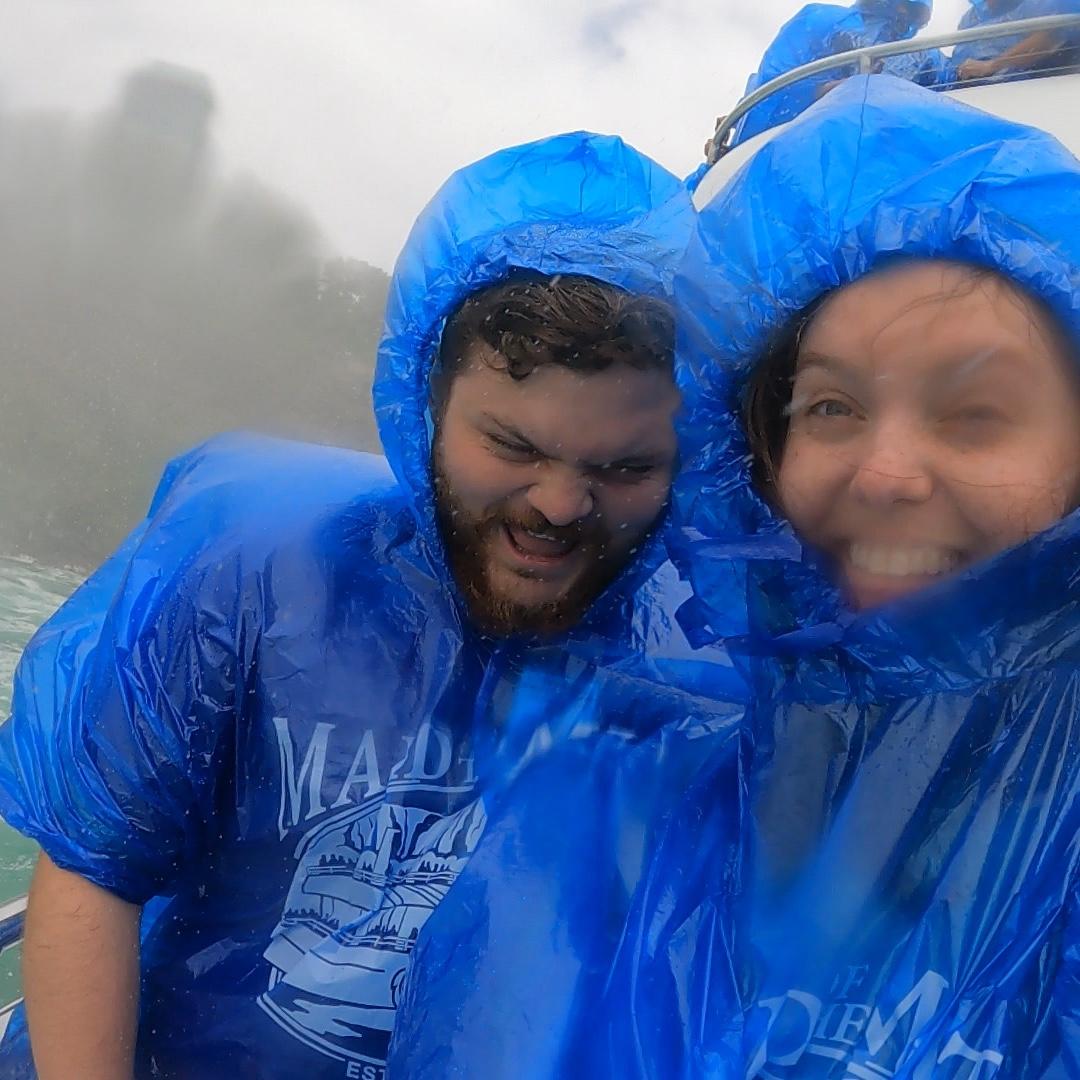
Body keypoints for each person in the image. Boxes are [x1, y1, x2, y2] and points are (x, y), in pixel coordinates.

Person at [387, 76, 1080, 1077]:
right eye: (832, 407)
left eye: (975, 414)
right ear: (753, 455)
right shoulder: (614, 807)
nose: (885, 473)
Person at [0, 131, 694, 1080]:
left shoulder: (694, 661)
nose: (561, 506)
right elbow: (94, 868)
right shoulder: (255, 562)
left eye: (624, 467)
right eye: (514, 446)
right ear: (427, 402)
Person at [732, 0, 932, 144]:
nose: (903, 13)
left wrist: (961, 73)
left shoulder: (920, 56)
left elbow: (946, 86)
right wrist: (830, 90)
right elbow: (773, 91)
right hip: (798, 145)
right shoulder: (821, 21)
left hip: (874, 155)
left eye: (911, 8)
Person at [953, 0, 1079, 82]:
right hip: (975, 92)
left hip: (1036, 86)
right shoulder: (971, 18)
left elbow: (1048, 38)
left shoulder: (1035, 4)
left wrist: (991, 66)